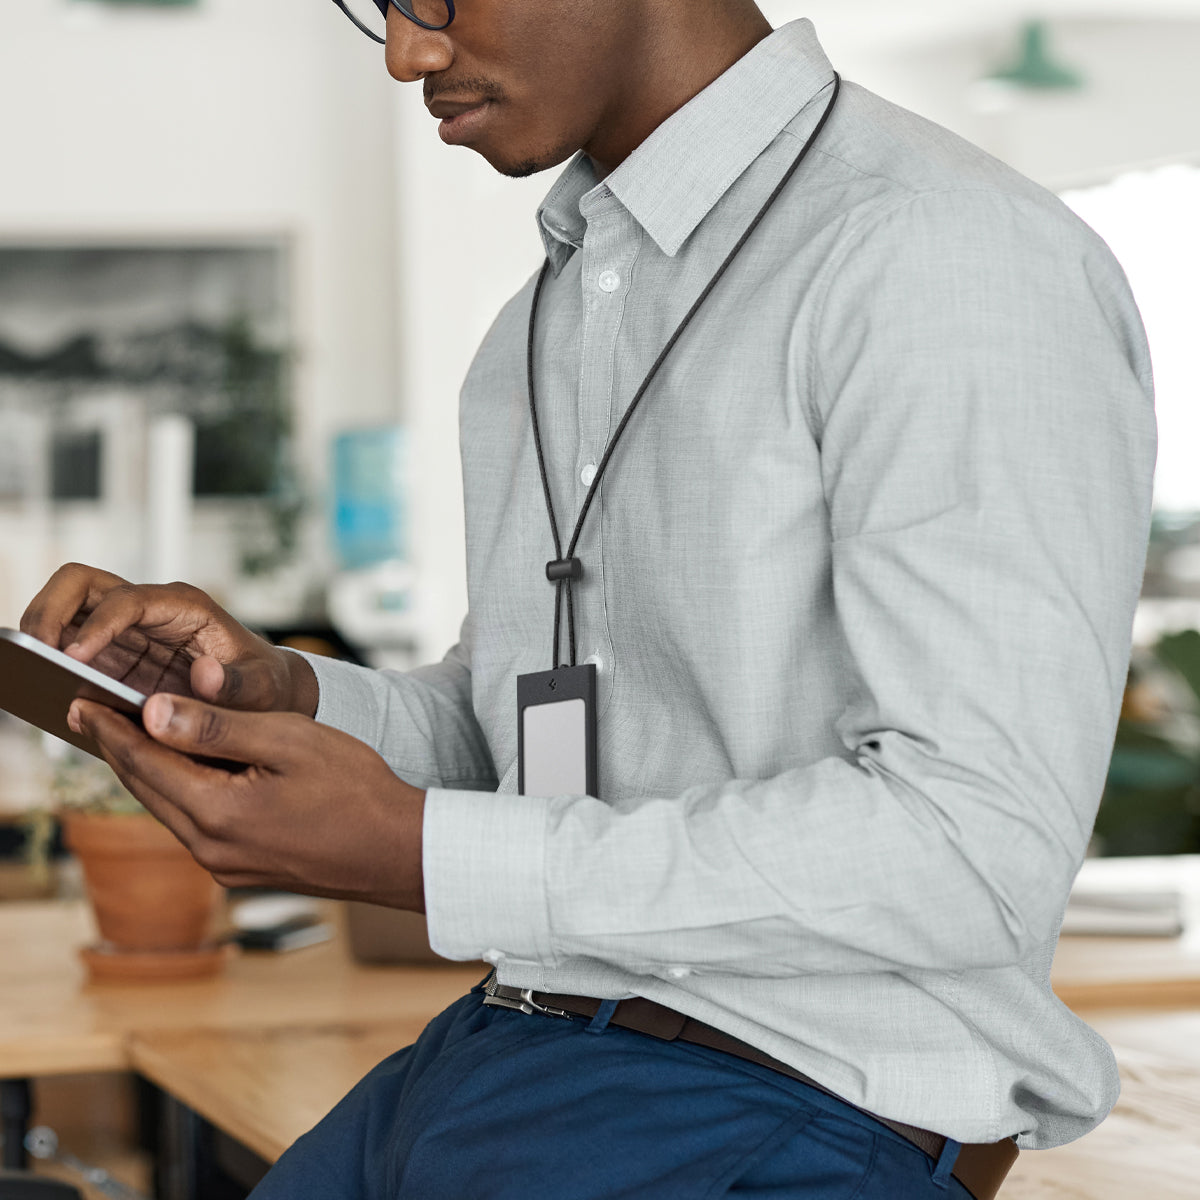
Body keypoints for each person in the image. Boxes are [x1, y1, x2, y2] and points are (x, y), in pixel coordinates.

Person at [22, 1, 1156, 1196]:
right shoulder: (546, 319)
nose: (406, 55)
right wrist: (291, 696)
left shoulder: (943, 253)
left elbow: (972, 846)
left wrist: (420, 851)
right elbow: (522, 737)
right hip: (505, 1045)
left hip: (778, 1101)